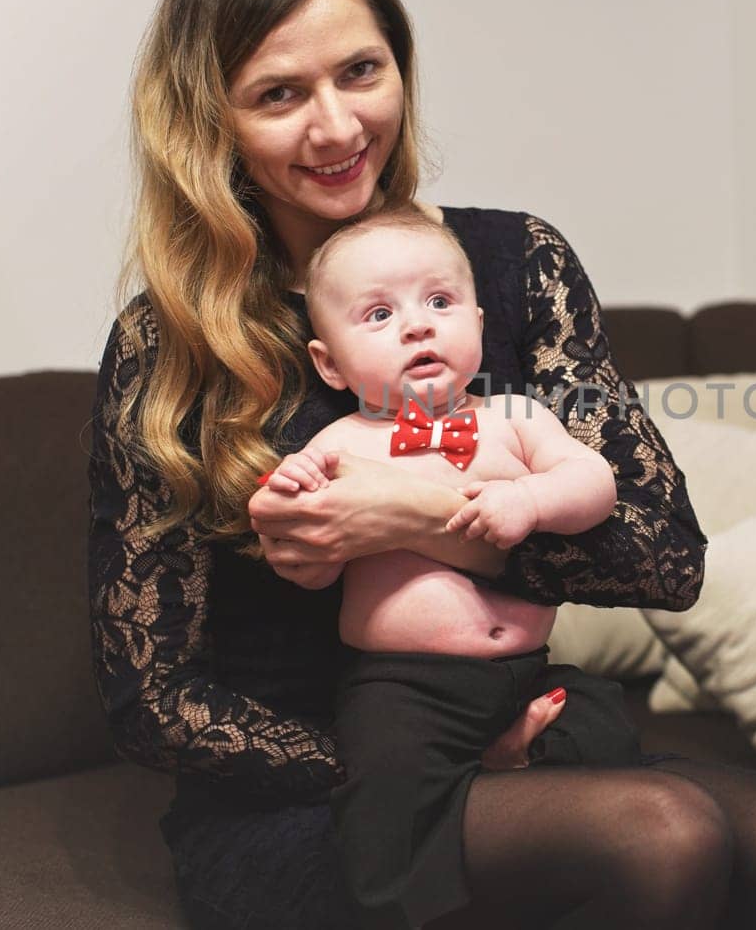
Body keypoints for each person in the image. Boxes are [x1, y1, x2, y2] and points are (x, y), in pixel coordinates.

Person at [88, 0, 756, 929]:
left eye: (360, 71)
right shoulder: (169, 342)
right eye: (279, 94)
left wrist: (410, 514)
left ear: (403, 67)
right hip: (314, 792)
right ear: (212, 120)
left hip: (514, 723)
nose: (337, 127)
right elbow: (152, 695)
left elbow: (663, 553)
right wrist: (408, 764)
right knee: (660, 830)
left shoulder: (513, 266)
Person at [262, 210, 647, 926]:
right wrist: (291, 501)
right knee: (386, 792)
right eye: (379, 314)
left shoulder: (515, 418)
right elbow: (309, 567)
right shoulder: (339, 442)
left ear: (475, 319)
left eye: (439, 303)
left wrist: (529, 500)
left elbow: (595, 483)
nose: (417, 326)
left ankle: (546, 825)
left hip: (530, 671)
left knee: (605, 725)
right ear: (330, 363)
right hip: (407, 687)